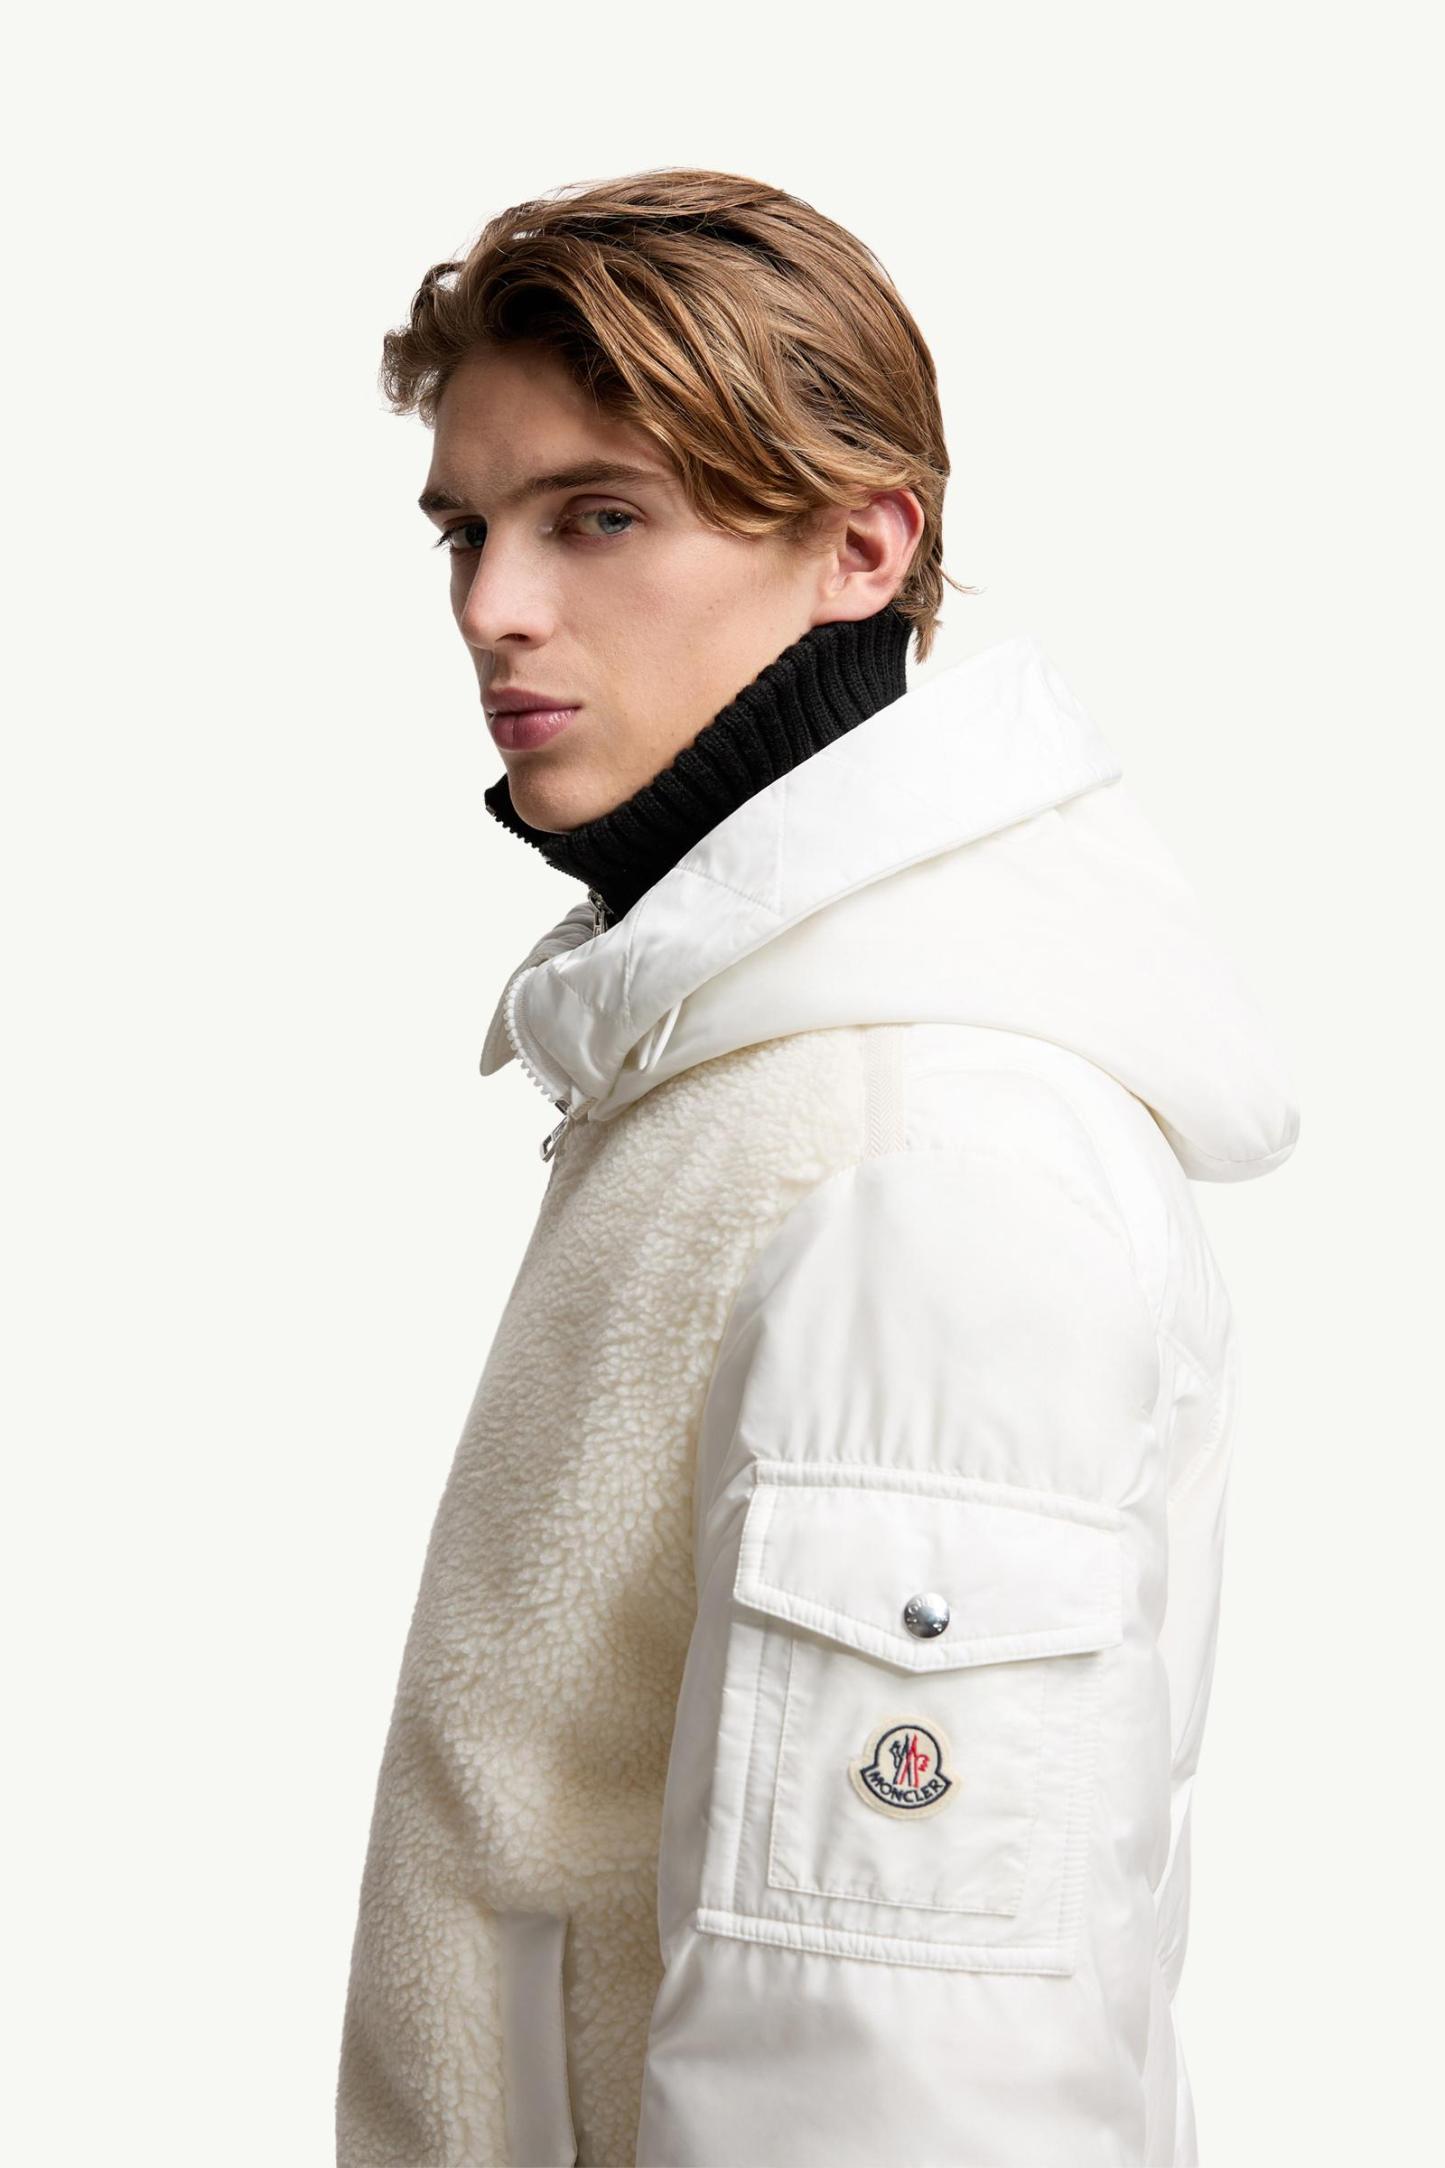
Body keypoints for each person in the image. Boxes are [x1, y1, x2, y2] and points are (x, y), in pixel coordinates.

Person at [335, 167, 1300, 2168]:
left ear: (865, 546)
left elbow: (901, 2082)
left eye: (598, 516)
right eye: (466, 529)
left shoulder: (914, 1160)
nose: (493, 607)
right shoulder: (743, 1073)